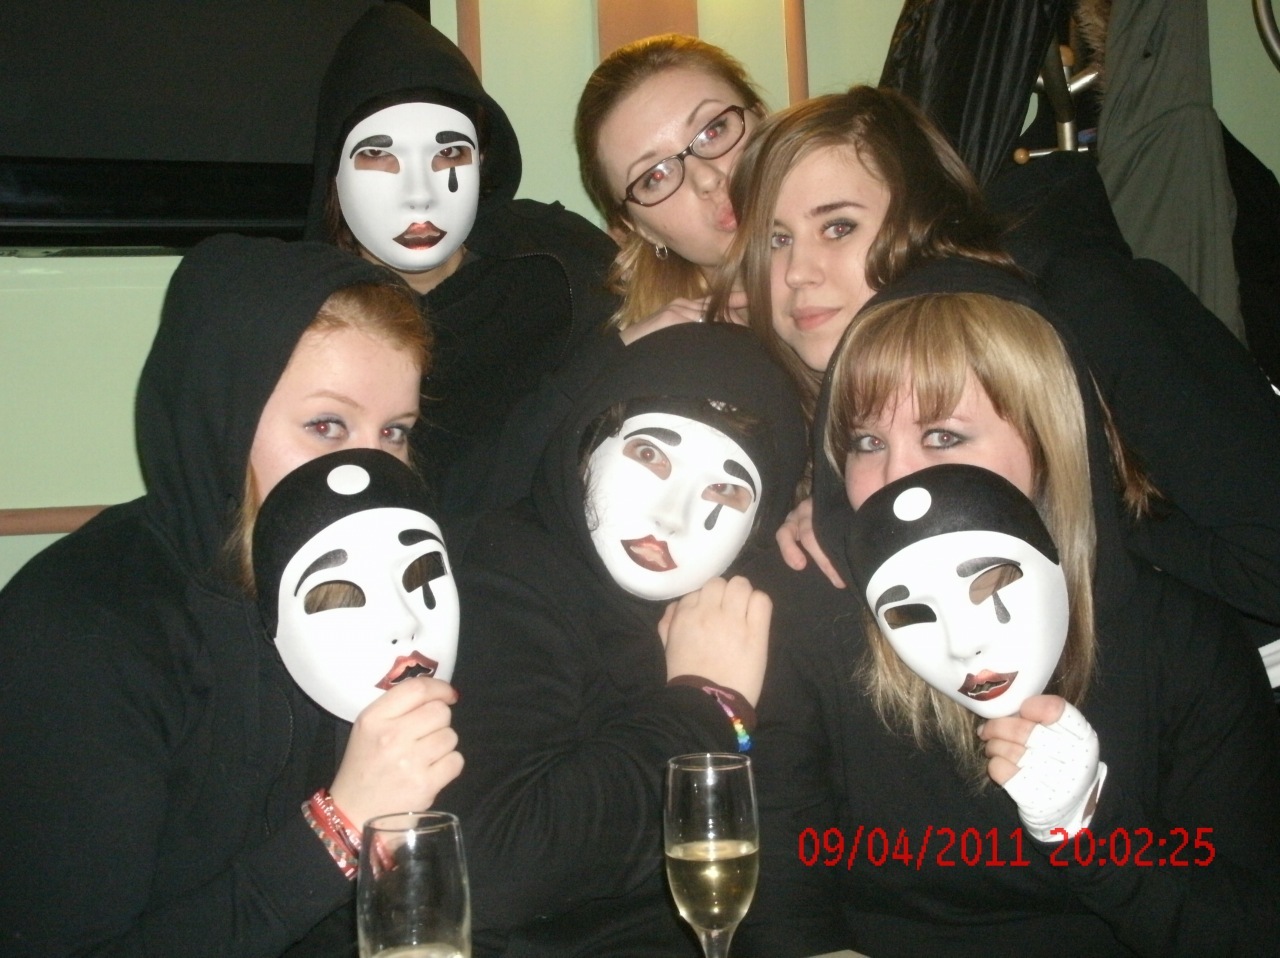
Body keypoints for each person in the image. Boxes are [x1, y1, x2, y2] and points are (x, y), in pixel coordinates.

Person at [736, 259, 1280, 957]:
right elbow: (781, 902)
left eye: (943, 436)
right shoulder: (814, 621)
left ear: (1048, 440)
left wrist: (1091, 831)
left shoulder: (1181, 641)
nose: (894, 479)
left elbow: (1245, 928)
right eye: (868, 442)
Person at [0, 235, 463, 957]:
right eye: (326, 426)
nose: (370, 470)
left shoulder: (394, 595)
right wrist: (340, 827)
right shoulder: (78, 630)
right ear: (220, 420)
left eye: (394, 432)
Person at [722, 86, 1280, 673]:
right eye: (776, 240)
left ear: (923, 222)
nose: (797, 273)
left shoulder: (1090, 308)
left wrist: (1059, 511)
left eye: (838, 227)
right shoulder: (826, 386)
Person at [436, 322, 808, 957]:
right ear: (587, 447)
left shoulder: (745, 607)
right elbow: (494, 868)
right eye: (651, 456)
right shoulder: (504, 574)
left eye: (725, 488)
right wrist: (704, 702)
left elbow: (789, 853)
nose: (672, 515)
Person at [306, 1, 618, 531]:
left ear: (482, 160)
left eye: (449, 154)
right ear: (333, 172)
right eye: (380, 156)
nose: (420, 194)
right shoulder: (298, 315)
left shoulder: (559, 262)